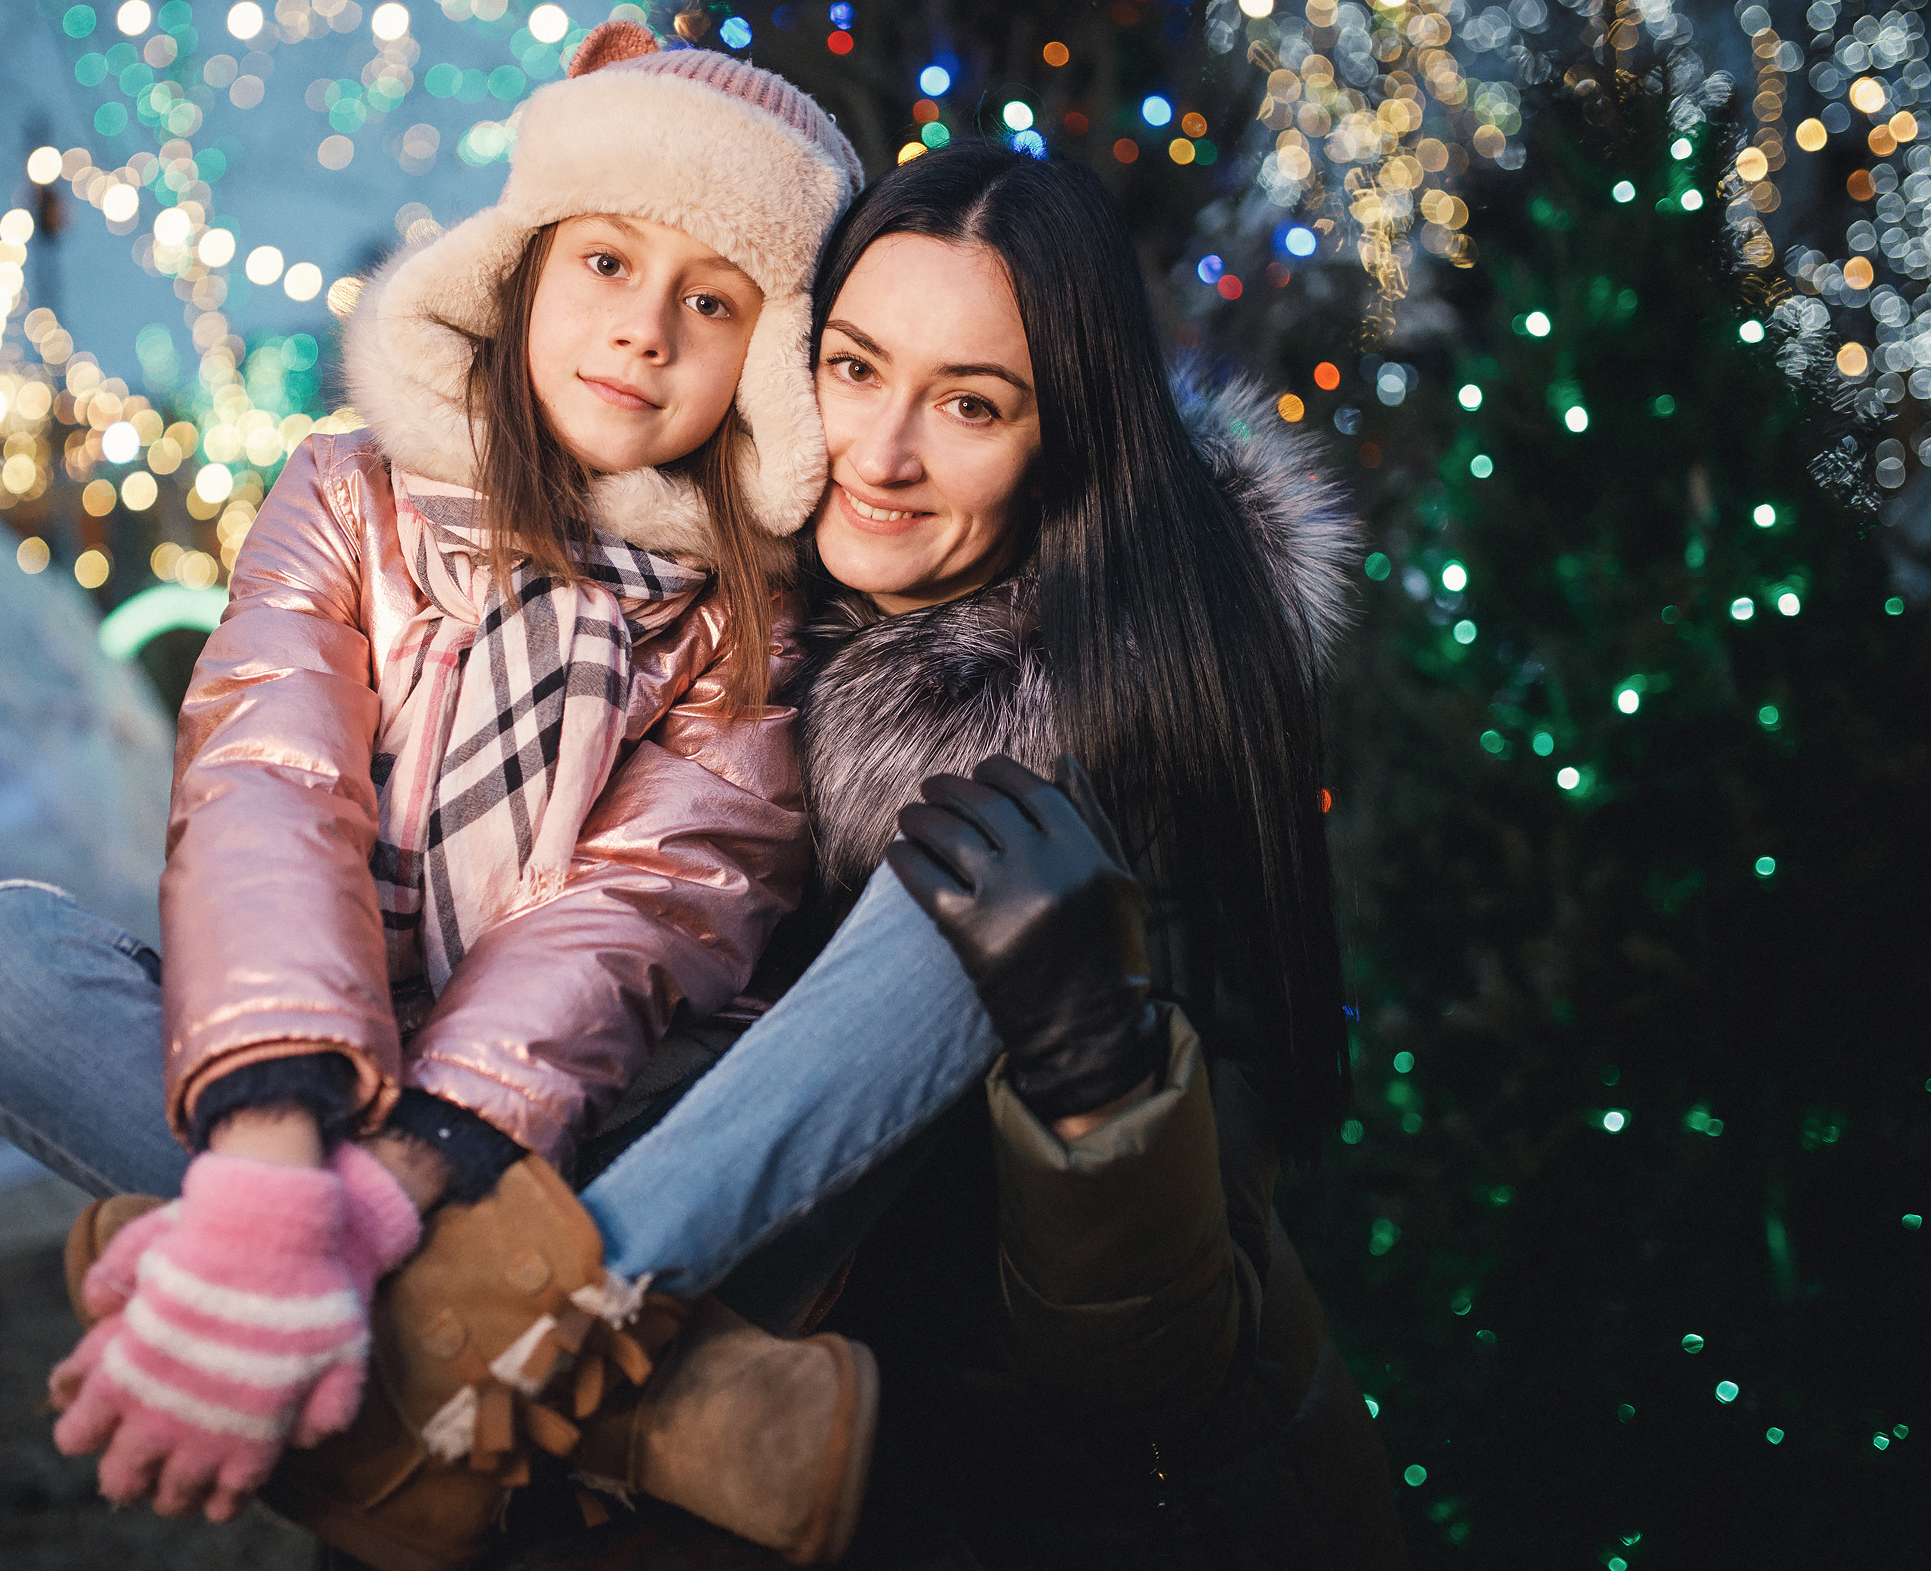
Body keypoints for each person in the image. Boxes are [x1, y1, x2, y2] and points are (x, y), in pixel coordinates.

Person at [0, 20, 863, 1533]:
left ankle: (343, 1308)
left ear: (770, 360)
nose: (645, 332)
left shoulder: (748, 618)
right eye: (607, 263)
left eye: (714, 302)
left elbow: (640, 918)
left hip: (566, 1108)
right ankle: (531, 1364)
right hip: (334, 1050)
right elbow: (270, 787)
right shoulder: (349, 495)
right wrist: (285, 1134)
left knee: (696, 1094)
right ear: (522, 266)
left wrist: (394, 1179)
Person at [495, 139, 1409, 1567]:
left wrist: (1095, 1069)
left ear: (1068, 438)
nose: (882, 453)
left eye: (970, 405)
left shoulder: (1141, 731)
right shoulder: (707, 634)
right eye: (854, 369)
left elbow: (1156, 1381)